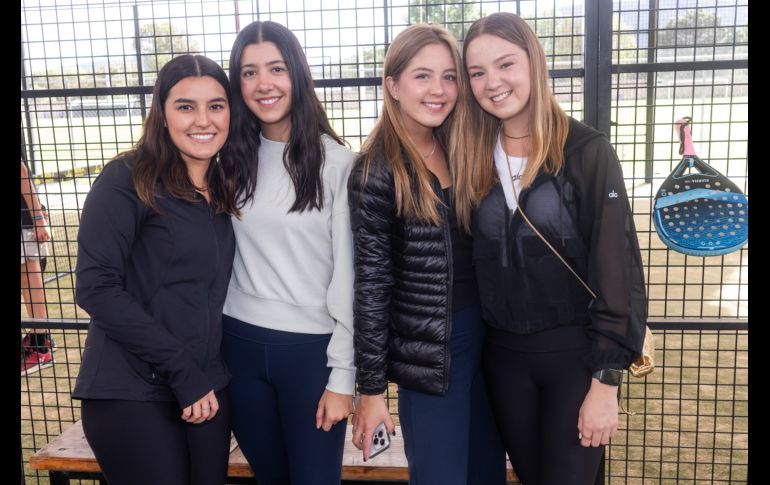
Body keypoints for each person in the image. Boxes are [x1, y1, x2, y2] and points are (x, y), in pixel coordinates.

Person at [462, 12, 648, 485]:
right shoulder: (470, 154)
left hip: (574, 359)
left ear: (534, 62)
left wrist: (606, 382)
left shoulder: (587, 151)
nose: (493, 82)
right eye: (477, 72)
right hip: (503, 361)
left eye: (505, 64)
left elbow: (618, 271)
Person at [348, 23, 506, 484]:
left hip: (488, 341)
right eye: (422, 76)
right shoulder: (377, 170)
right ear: (393, 86)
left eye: (450, 76)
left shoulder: (463, 149)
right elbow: (372, 287)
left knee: (485, 471)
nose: (439, 90)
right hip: (433, 354)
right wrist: (372, 390)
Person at [72, 54, 239, 485]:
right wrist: (181, 370)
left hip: (205, 389)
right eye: (186, 106)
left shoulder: (224, 189)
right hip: (131, 391)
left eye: (216, 106)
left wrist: (202, 377)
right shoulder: (126, 179)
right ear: (162, 114)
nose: (203, 119)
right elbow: (96, 287)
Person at [220, 20, 356, 485]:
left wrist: (343, 378)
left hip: (310, 353)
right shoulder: (227, 159)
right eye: (249, 72)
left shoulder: (337, 163)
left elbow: (352, 279)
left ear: (296, 73)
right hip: (236, 344)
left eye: (275, 68)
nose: (264, 84)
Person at [21, 159, 55, 376]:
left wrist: (38, 217)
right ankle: (39, 340)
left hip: (24, 219)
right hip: (27, 216)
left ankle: (40, 346)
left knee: (28, 276)